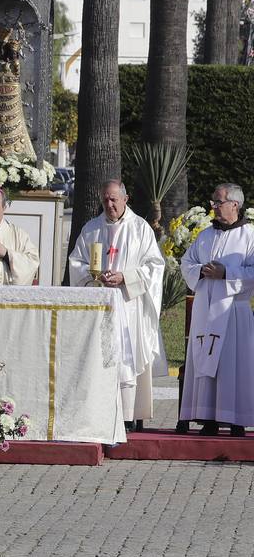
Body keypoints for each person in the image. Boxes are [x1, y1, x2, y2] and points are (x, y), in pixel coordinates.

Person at [68, 180, 166, 433]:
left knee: (127, 359)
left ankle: (128, 416)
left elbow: (154, 266)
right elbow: (76, 263)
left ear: (126, 198)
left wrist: (126, 277)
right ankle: (101, 412)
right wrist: (94, 276)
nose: (109, 204)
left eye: (113, 199)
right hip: (101, 306)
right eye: (105, 200)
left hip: (129, 305)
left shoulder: (140, 229)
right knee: (101, 358)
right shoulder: (91, 229)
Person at [179, 183, 254, 436]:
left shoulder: (250, 236)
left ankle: (236, 419)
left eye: (218, 202)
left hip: (233, 311)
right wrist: (199, 270)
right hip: (205, 309)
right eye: (213, 202)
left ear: (235, 204)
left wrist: (226, 274)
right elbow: (187, 262)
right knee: (205, 360)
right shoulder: (205, 235)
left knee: (233, 365)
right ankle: (207, 416)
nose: (214, 206)